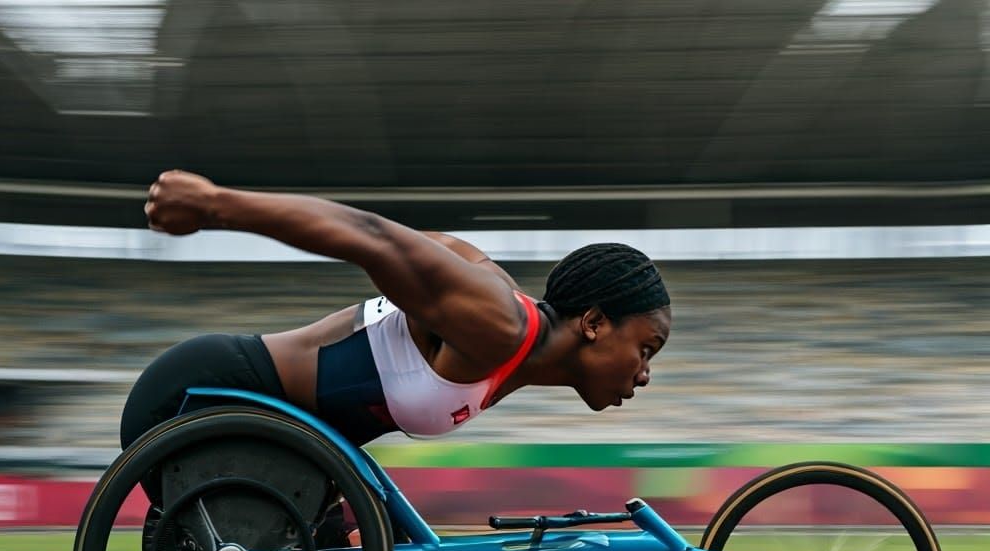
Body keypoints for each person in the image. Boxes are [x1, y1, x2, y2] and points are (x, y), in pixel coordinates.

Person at [122, 169, 671, 451]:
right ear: (595, 323)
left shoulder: (505, 336)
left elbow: (429, 247)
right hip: (192, 402)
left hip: (268, 433)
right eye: (646, 349)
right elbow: (372, 237)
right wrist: (215, 204)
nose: (644, 375)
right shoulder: (498, 323)